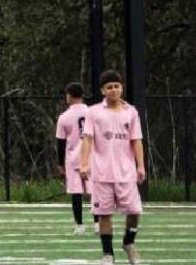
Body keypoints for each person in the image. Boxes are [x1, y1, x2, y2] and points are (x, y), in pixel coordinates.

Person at [79, 70, 145, 265]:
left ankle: (129, 243)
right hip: (102, 172)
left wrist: (140, 166)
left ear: (121, 88)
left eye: (117, 86)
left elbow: (137, 140)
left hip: (126, 172)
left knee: (134, 211)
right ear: (102, 90)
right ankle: (108, 253)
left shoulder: (131, 112)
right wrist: (84, 163)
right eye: (109, 87)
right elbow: (88, 139)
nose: (114, 90)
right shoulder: (93, 112)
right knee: (104, 213)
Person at [55, 82, 94, 234]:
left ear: (69, 96)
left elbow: (60, 142)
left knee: (76, 192)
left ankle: (80, 225)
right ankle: (98, 224)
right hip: (91, 157)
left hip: (73, 159)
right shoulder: (92, 112)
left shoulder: (64, 117)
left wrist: (60, 163)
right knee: (94, 193)